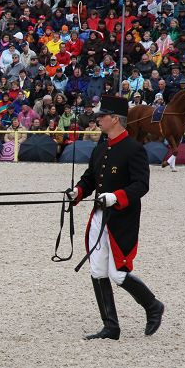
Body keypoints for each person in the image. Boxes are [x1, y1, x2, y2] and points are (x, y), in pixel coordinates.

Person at [66, 95, 164, 341]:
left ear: (116, 119)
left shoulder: (134, 149)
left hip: (122, 220)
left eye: (102, 116)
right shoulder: (101, 148)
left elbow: (141, 185)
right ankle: (111, 327)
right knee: (97, 270)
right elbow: (90, 178)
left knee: (118, 273)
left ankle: (153, 306)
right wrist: (78, 191)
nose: (97, 119)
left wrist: (116, 197)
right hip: (99, 216)